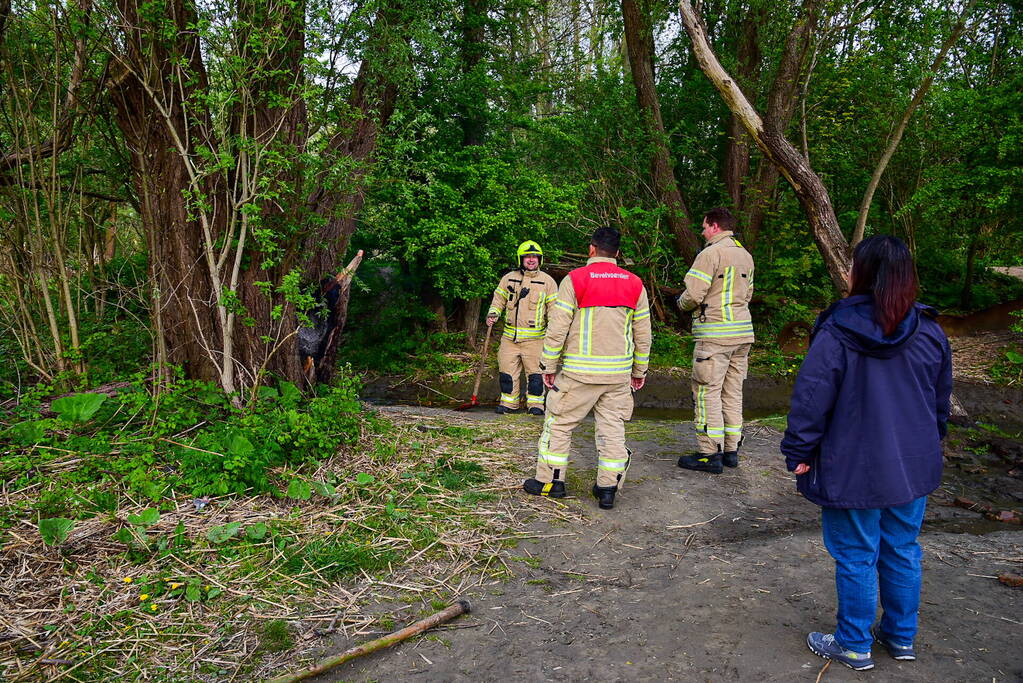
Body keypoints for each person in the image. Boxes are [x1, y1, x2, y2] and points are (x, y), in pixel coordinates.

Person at [781, 235, 953, 671]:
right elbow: (939, 401)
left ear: (860, 272)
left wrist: (799, 449)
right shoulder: (930, 331)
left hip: (852, 465)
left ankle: (855, 643)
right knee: (901, 548)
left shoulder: (838, 329)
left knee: (858, 553)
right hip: (912, 465)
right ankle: (900, 637)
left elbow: (812, 395)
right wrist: (931, 444)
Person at [522, 227, 652, 510]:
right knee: (612, 430)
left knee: (558, 425)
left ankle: (550, 482)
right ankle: (607, 488)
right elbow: (643, 333)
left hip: (579, 373)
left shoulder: (576, 279)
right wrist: (639, 370)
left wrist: (549, 365)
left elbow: (557, 328)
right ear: (617, 253)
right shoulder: (634, 283)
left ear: (591, 249)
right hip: (618, 375)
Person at [675, 207, 755, 474]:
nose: (702, 231)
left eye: (704, 226)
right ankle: (731, 450)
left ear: (715, 226)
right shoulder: (745, 255)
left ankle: (709, 453)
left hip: (715, 335)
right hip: (743, 334)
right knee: (732, 392)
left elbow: (694, 294)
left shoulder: (710, 253)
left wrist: (681, 304)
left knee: (707, 392)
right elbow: (748, 294)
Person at [487, 241, 559, 415]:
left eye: (535, 256)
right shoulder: (508, 278)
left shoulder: (547, 282)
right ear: (520, 259)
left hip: (535, 340)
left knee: (535, 376)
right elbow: (499, 299)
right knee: (507, 373)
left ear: (540, 259)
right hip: (509, 338)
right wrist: (493, 313)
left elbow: (554, 311)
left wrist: (555, 332)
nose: (531, 260)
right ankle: (509, 404)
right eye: (527, 256)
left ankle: (535, 406)